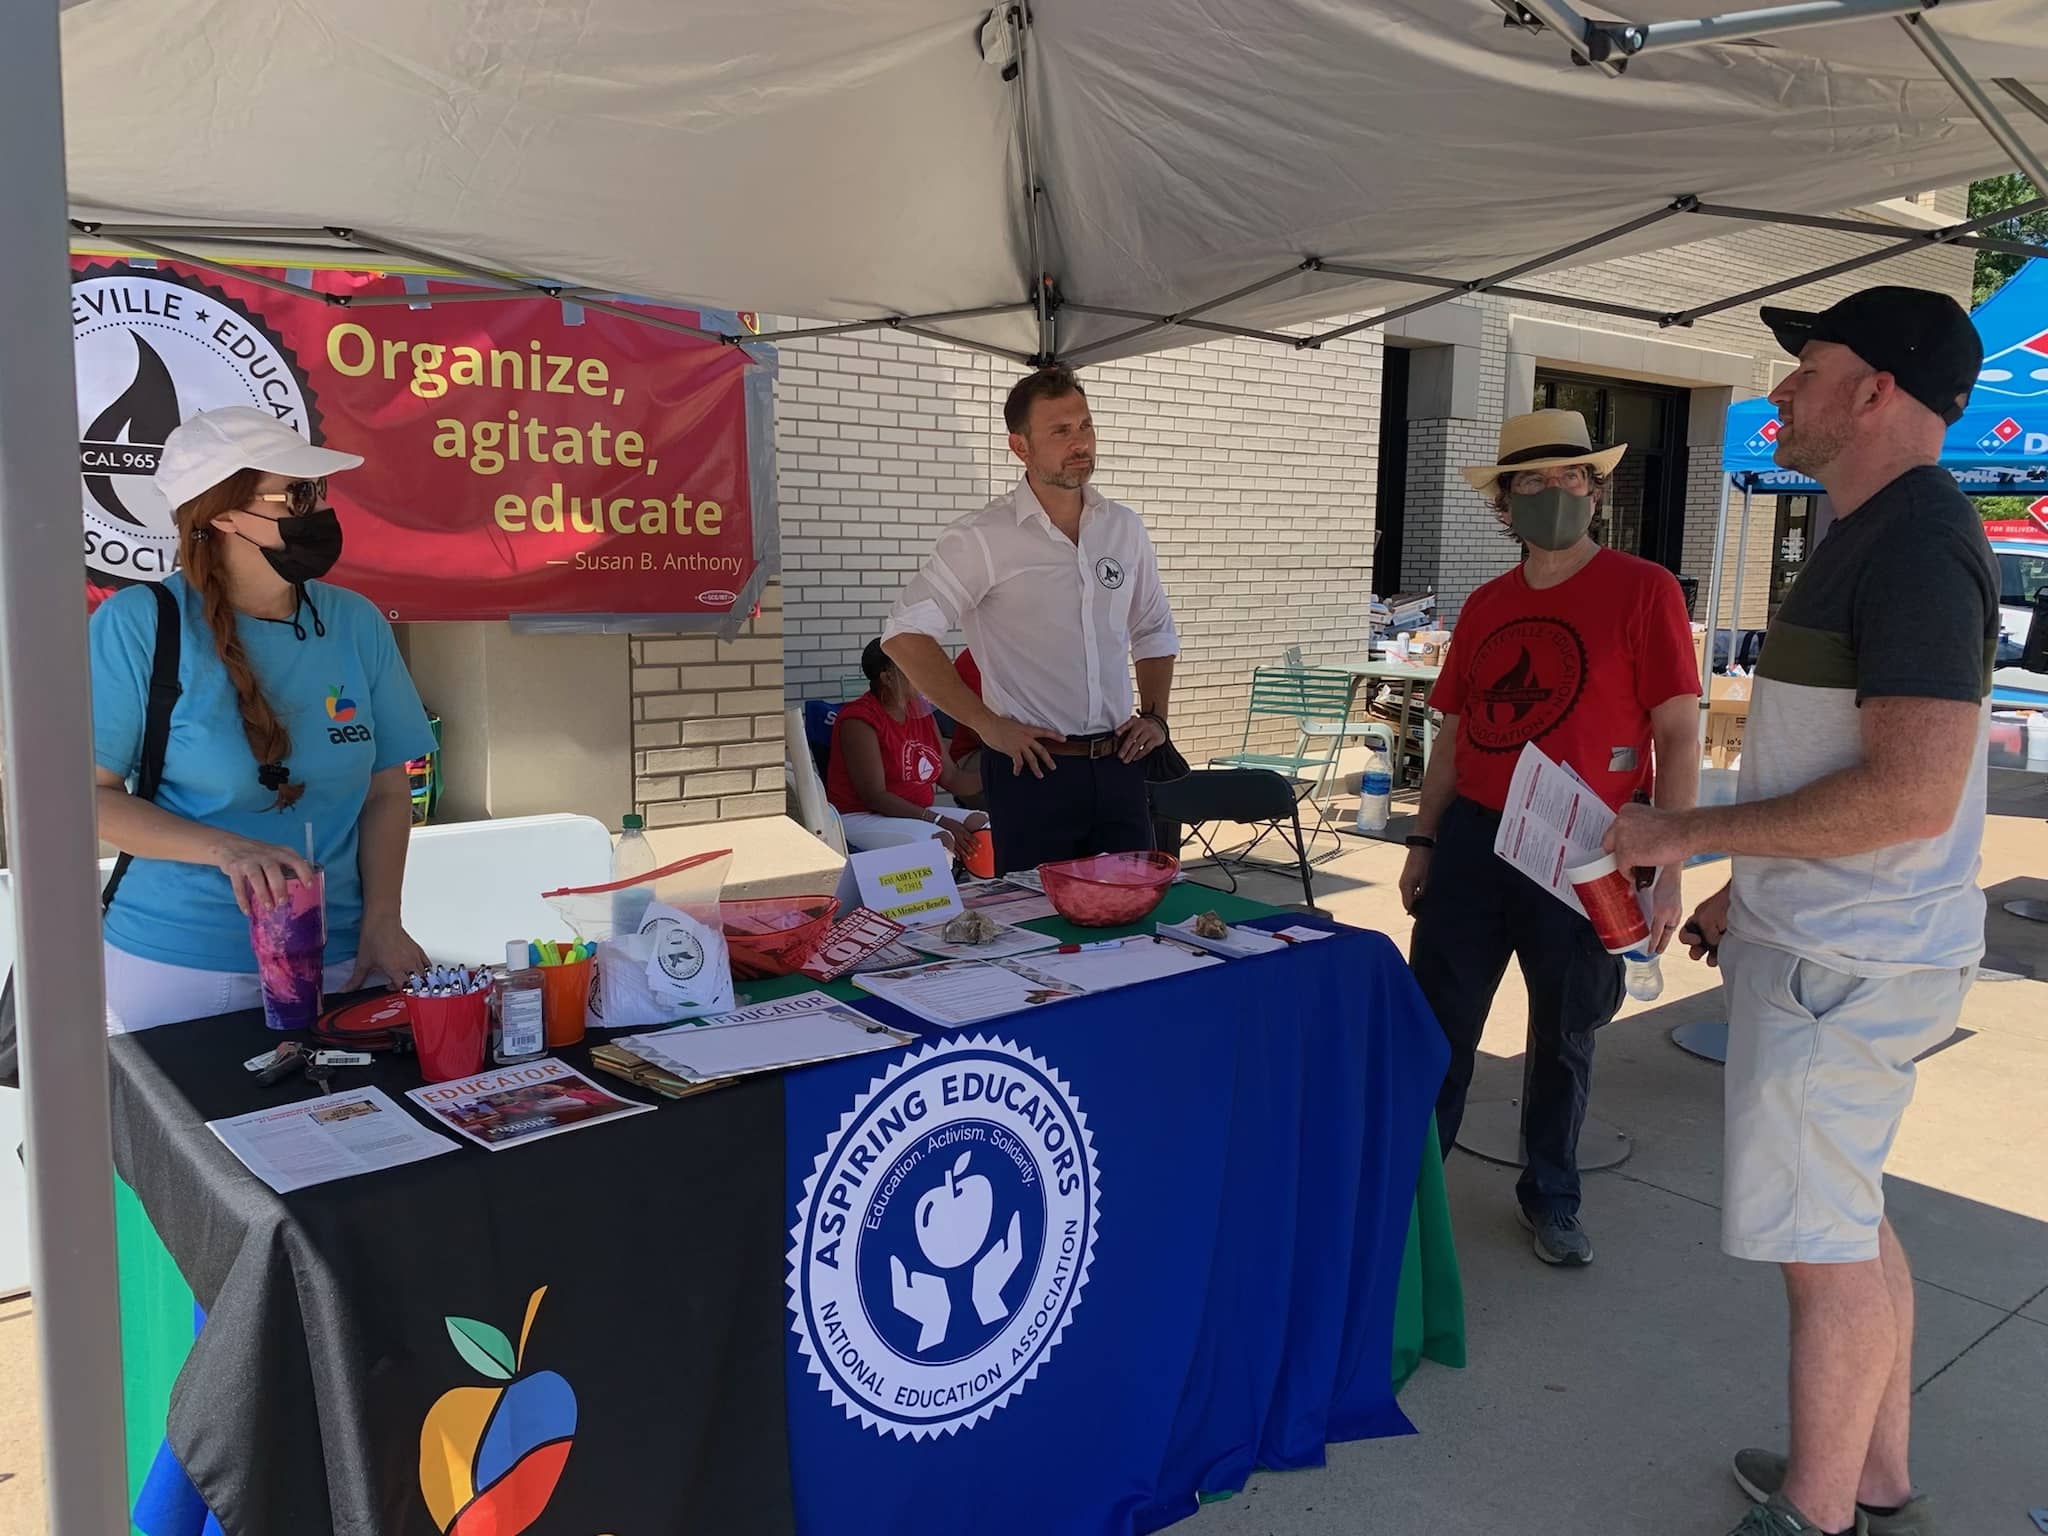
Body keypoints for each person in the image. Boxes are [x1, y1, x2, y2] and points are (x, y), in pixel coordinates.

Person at [1608, 287, 1993, 1536]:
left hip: (1841, 965)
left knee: (1822, 1251)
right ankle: (1870, 1478)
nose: (1775, 392)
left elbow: (1908, 795)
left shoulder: (1916, 542)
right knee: (1849, 1221)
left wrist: (1686, 833)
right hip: (1833, 945)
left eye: (1804, 366)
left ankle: (1814, 1516)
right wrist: (1738, 885)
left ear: (1873, 390)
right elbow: (1823, 770)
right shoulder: (1876, 530)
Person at [1401, 408, 1700, 1268]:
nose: (1555, 493)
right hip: (1476, 841)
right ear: (1505, 504)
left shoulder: (1645, 591)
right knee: (1438, 1027)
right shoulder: (1487, 604)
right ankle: (1412, 1196)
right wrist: (1424, 838)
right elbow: (1455, 732)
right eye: (1532, 481)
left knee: (1567, 1034)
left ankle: (1553, 1196)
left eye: (1573, 476)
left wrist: (1667, 869)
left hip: (1591, 848)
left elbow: (1678, 736)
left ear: (1597, 490)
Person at [90, 407, 437, 1031]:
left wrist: (384, 918)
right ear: (221, 513)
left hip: (343, 962)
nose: (317, 513)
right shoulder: (139, 624)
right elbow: (88, 799)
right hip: (180, 970)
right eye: (295, 495)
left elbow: (388, 789)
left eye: (317, 493)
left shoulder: (355, 621)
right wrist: (227, 849)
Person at [882, 366, 1179, 874]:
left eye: (1085, 426)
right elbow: (905, 636)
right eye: (1060, 431)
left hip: (1120, 766)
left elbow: (1152, 629)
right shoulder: (983, 537)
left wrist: (1156, 716)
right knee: (1042, 926)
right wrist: (985, 723)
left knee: (1133, 913)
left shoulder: (1123, 527)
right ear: (1020, 447)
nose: (1080, 442)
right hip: (1034, 770)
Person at [826, 638, 988, 853]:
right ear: (887, 677)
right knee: (939, 840)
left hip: (914, 812)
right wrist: (938, 820)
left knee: (983, 825)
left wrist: (1001, 772)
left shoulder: (920, 712)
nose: (922, 674)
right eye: (912, 667)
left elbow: (952, 778)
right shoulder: (859, 720)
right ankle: (937, 888)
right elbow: (875, 797)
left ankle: (985, 887)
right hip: (861, 816)